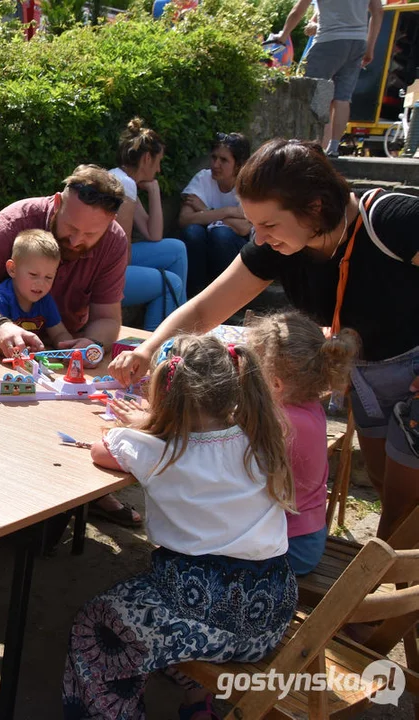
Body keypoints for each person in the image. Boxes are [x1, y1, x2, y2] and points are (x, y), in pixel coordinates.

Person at [110, 139, 419, 543]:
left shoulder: (393, 220)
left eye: (269, 225)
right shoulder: (280, 243)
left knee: (402, 514)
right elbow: (206, 309)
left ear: (314, 208)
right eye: (254, 223)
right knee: (384, 486)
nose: (258, 236)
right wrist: (147, 350)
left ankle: (399, 603)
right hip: (367, 375)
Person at [66, 334, 297, 720]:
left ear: (165, 393)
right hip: (270, 614)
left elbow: (101, 450)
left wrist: (145, 425)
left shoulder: (158, 449)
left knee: (97, 624)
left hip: (202, 613)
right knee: (154, 613)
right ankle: (197, 701)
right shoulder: (260, 438)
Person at [0, 164, 143, 527]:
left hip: (53, 362)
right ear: (56, 203)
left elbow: (107, 317)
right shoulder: (15, 220)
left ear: (111, 223)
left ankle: (88, 495)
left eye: (91, 233)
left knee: (85, 411)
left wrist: (90, 343)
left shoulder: (113, 241)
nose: (78, 240)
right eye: (71, 228)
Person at [246, 311, 359, 575]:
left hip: (289, 548)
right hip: (304, 536)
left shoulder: (281, 424)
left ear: (276, 383)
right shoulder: (305, 405)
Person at [269, 0, 383, 156]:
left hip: (328, 40)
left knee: (315, 92)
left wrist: (284, 34)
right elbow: (378, 11)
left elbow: (298, 10)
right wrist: (370, 47)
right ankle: (333, 146)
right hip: (358, 42)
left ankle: (310, 143)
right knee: (343, 97)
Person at [109, 118, 188, 331]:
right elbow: (121, 257)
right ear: (146, 158)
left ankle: (181, 325)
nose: (160, 169)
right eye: (158, 160)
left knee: (177, 248)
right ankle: (156, 341)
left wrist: (154, 191)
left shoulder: (124, 181)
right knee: (172, 282)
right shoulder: (124, 185)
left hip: (110, 263)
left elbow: (153, 235)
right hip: (105, 277)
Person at [178, 132, 252, 297]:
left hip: (234, 252)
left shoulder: (246, 185)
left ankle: (223, 297)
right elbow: (185, 219)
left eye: (224, 160)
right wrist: (228, 212)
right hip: (205, 251)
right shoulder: (203, 178)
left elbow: (245, 227)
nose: (215, 164)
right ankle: (194, 296)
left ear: (239, 165)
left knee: (221, 235)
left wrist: (205, 211)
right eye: (214, 157)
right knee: (192, 232)